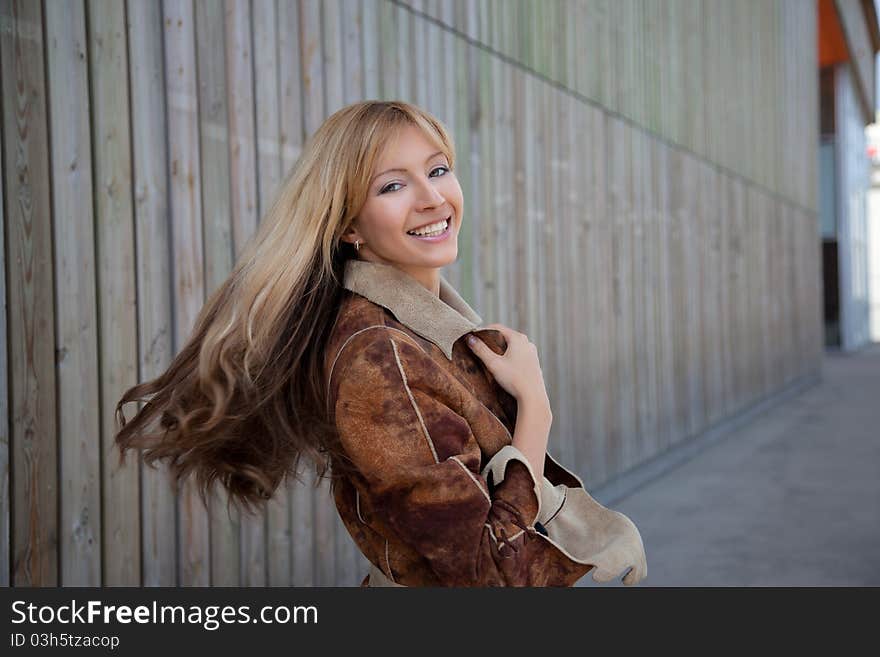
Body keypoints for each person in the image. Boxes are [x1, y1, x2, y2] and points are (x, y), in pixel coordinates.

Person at [115, 100, 646, 587]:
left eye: (438, 170)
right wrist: (535, 408)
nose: (432, 198)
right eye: (392, 186)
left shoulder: (424, 327)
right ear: (350, 226)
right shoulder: (381, 357)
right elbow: (489, 570)